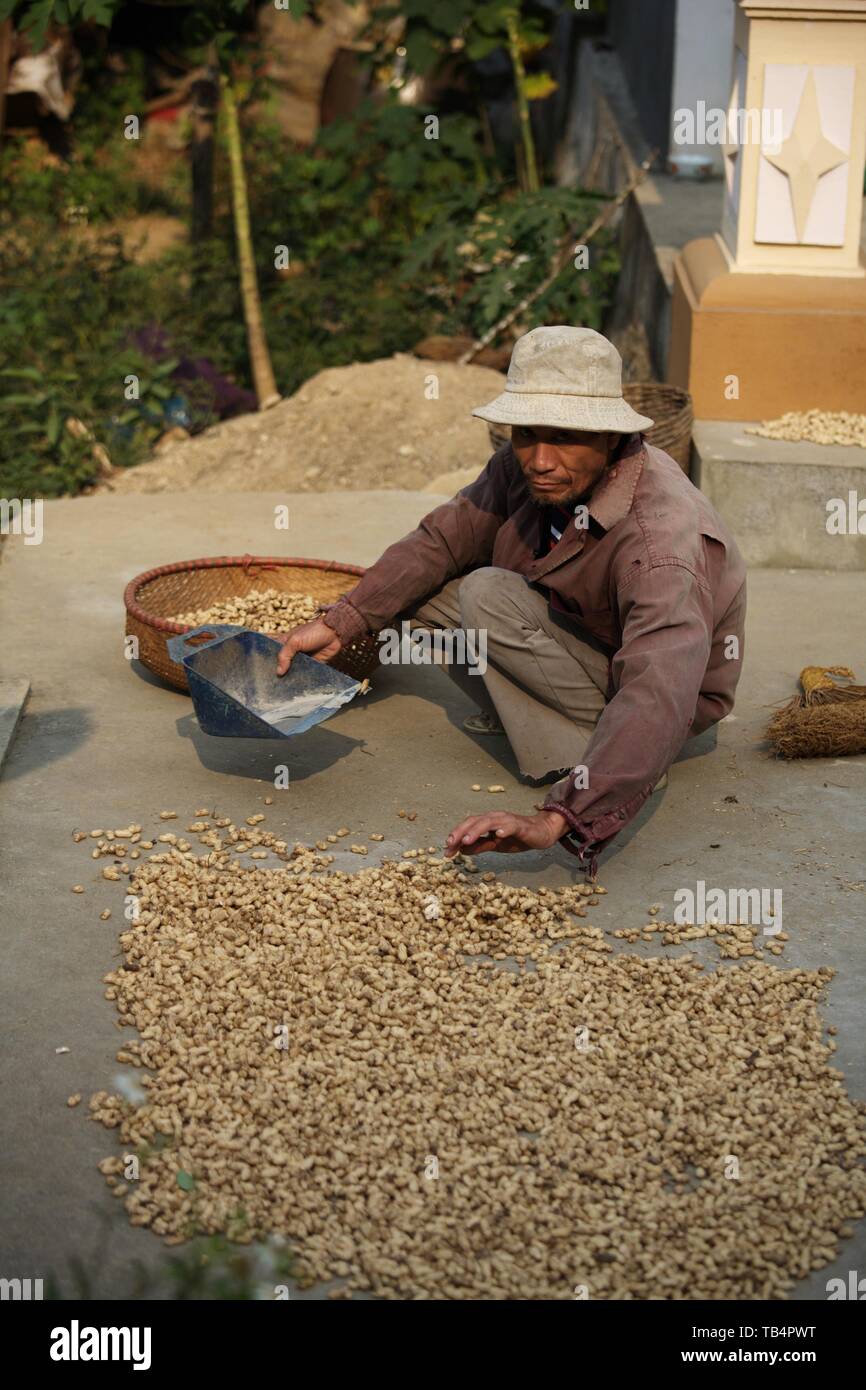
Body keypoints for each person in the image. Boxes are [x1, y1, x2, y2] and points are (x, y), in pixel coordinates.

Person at [276, 326, 747, 876]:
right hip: (581, 639)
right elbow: (443, 538)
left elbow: (660, 687)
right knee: (422, 595)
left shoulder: (659, 543)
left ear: (611, 438)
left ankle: (620, 761)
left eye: (565, 436)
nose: (540, 459)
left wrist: (559, 819)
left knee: (484, 592)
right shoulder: (526, 465)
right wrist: (345, 620)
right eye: (526, 433)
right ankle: (565, 729)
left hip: (662, 697)